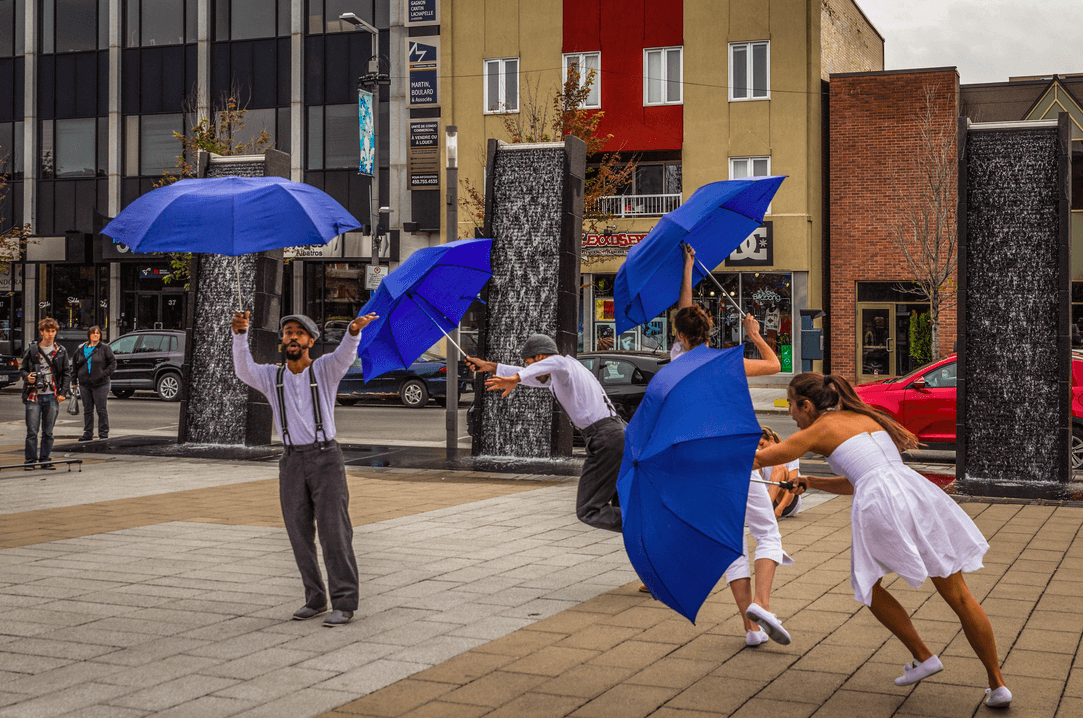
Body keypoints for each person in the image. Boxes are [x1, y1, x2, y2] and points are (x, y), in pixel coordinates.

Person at [753, 372, 1011, 708]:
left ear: (807, 404)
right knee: (959, 595)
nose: (789, 413)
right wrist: (812, 481)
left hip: (881, 502)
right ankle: (998, 684)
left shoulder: (818, 429)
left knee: (868, 585)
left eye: (791, 405)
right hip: (917, 494)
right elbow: (861, 478)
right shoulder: (864, 417)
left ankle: (923, 656)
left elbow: (760, 458)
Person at [670, 245, 792, 646]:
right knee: (767, 533)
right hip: (739, 457)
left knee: (730, 541)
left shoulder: (676, 363)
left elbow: (684, 311)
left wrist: (688, 268)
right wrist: (756, 336)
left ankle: (751, 630)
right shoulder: (727, 361)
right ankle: (762, 602)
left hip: (701, 464)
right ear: (708, 332)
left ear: (679, 337)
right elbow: (775, 366)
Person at [232, 310, 377, 627]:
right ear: (282, 341)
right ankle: (315, 599)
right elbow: (243, 369)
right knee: (299, 534)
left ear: (311, 341)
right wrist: (239, 335)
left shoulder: (324, 369)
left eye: (299, 332)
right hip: (292, 460)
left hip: (326, 459)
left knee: (333, 533)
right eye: (288, 332)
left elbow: (343, 356)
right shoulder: (272, 376)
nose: (292, 337)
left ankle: (344, 602)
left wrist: (352, 331)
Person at [468, 334, 624, 532]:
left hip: (606, 439)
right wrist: (490, 367)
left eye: (529, 363)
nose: (528, 370)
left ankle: (642, 525)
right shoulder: (559, 378)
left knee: (589, 510)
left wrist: (516, 378)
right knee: (622, 503)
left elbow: (554, 362)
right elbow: (529, 374)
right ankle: (645, 532)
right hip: (615, 435)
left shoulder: (564, 365)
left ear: (540, 357)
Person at [20, 317, 71, 471]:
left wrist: (63, 392)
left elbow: (66, 373)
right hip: (33, 395)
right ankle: (30, 461)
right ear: (41, 332)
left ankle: (45, 459)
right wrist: (27, 377)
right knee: (32, 431)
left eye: (53, 331)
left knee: (48, 432)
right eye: (47, 331)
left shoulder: (61, 351)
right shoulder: (32, 349)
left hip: (52, 395)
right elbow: (22, 369)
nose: (50, 334)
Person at [72, 326, 117, 442]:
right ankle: (88, 433)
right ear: (89, 335)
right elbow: (75, 366)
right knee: (87, 409)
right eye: (93, 333)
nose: (96, 335)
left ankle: (103, 433)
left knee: (101, 409)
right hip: (84, 383)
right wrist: (74, 382)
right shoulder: (81, 349)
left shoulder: (105, 348)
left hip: (100, 383)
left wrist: (103, 374)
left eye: (98, 333)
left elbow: (113, 363)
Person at [759, 427, 801, 519]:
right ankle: (763, 510)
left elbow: (793, 486)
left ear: (771, 439)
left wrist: (780, 508)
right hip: (767, 498)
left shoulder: (790, 452)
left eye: (762, 444)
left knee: (779, 468)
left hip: (787, 502)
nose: (759, 449)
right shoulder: (758, 453)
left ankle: (766, 509)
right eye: (756, 446)